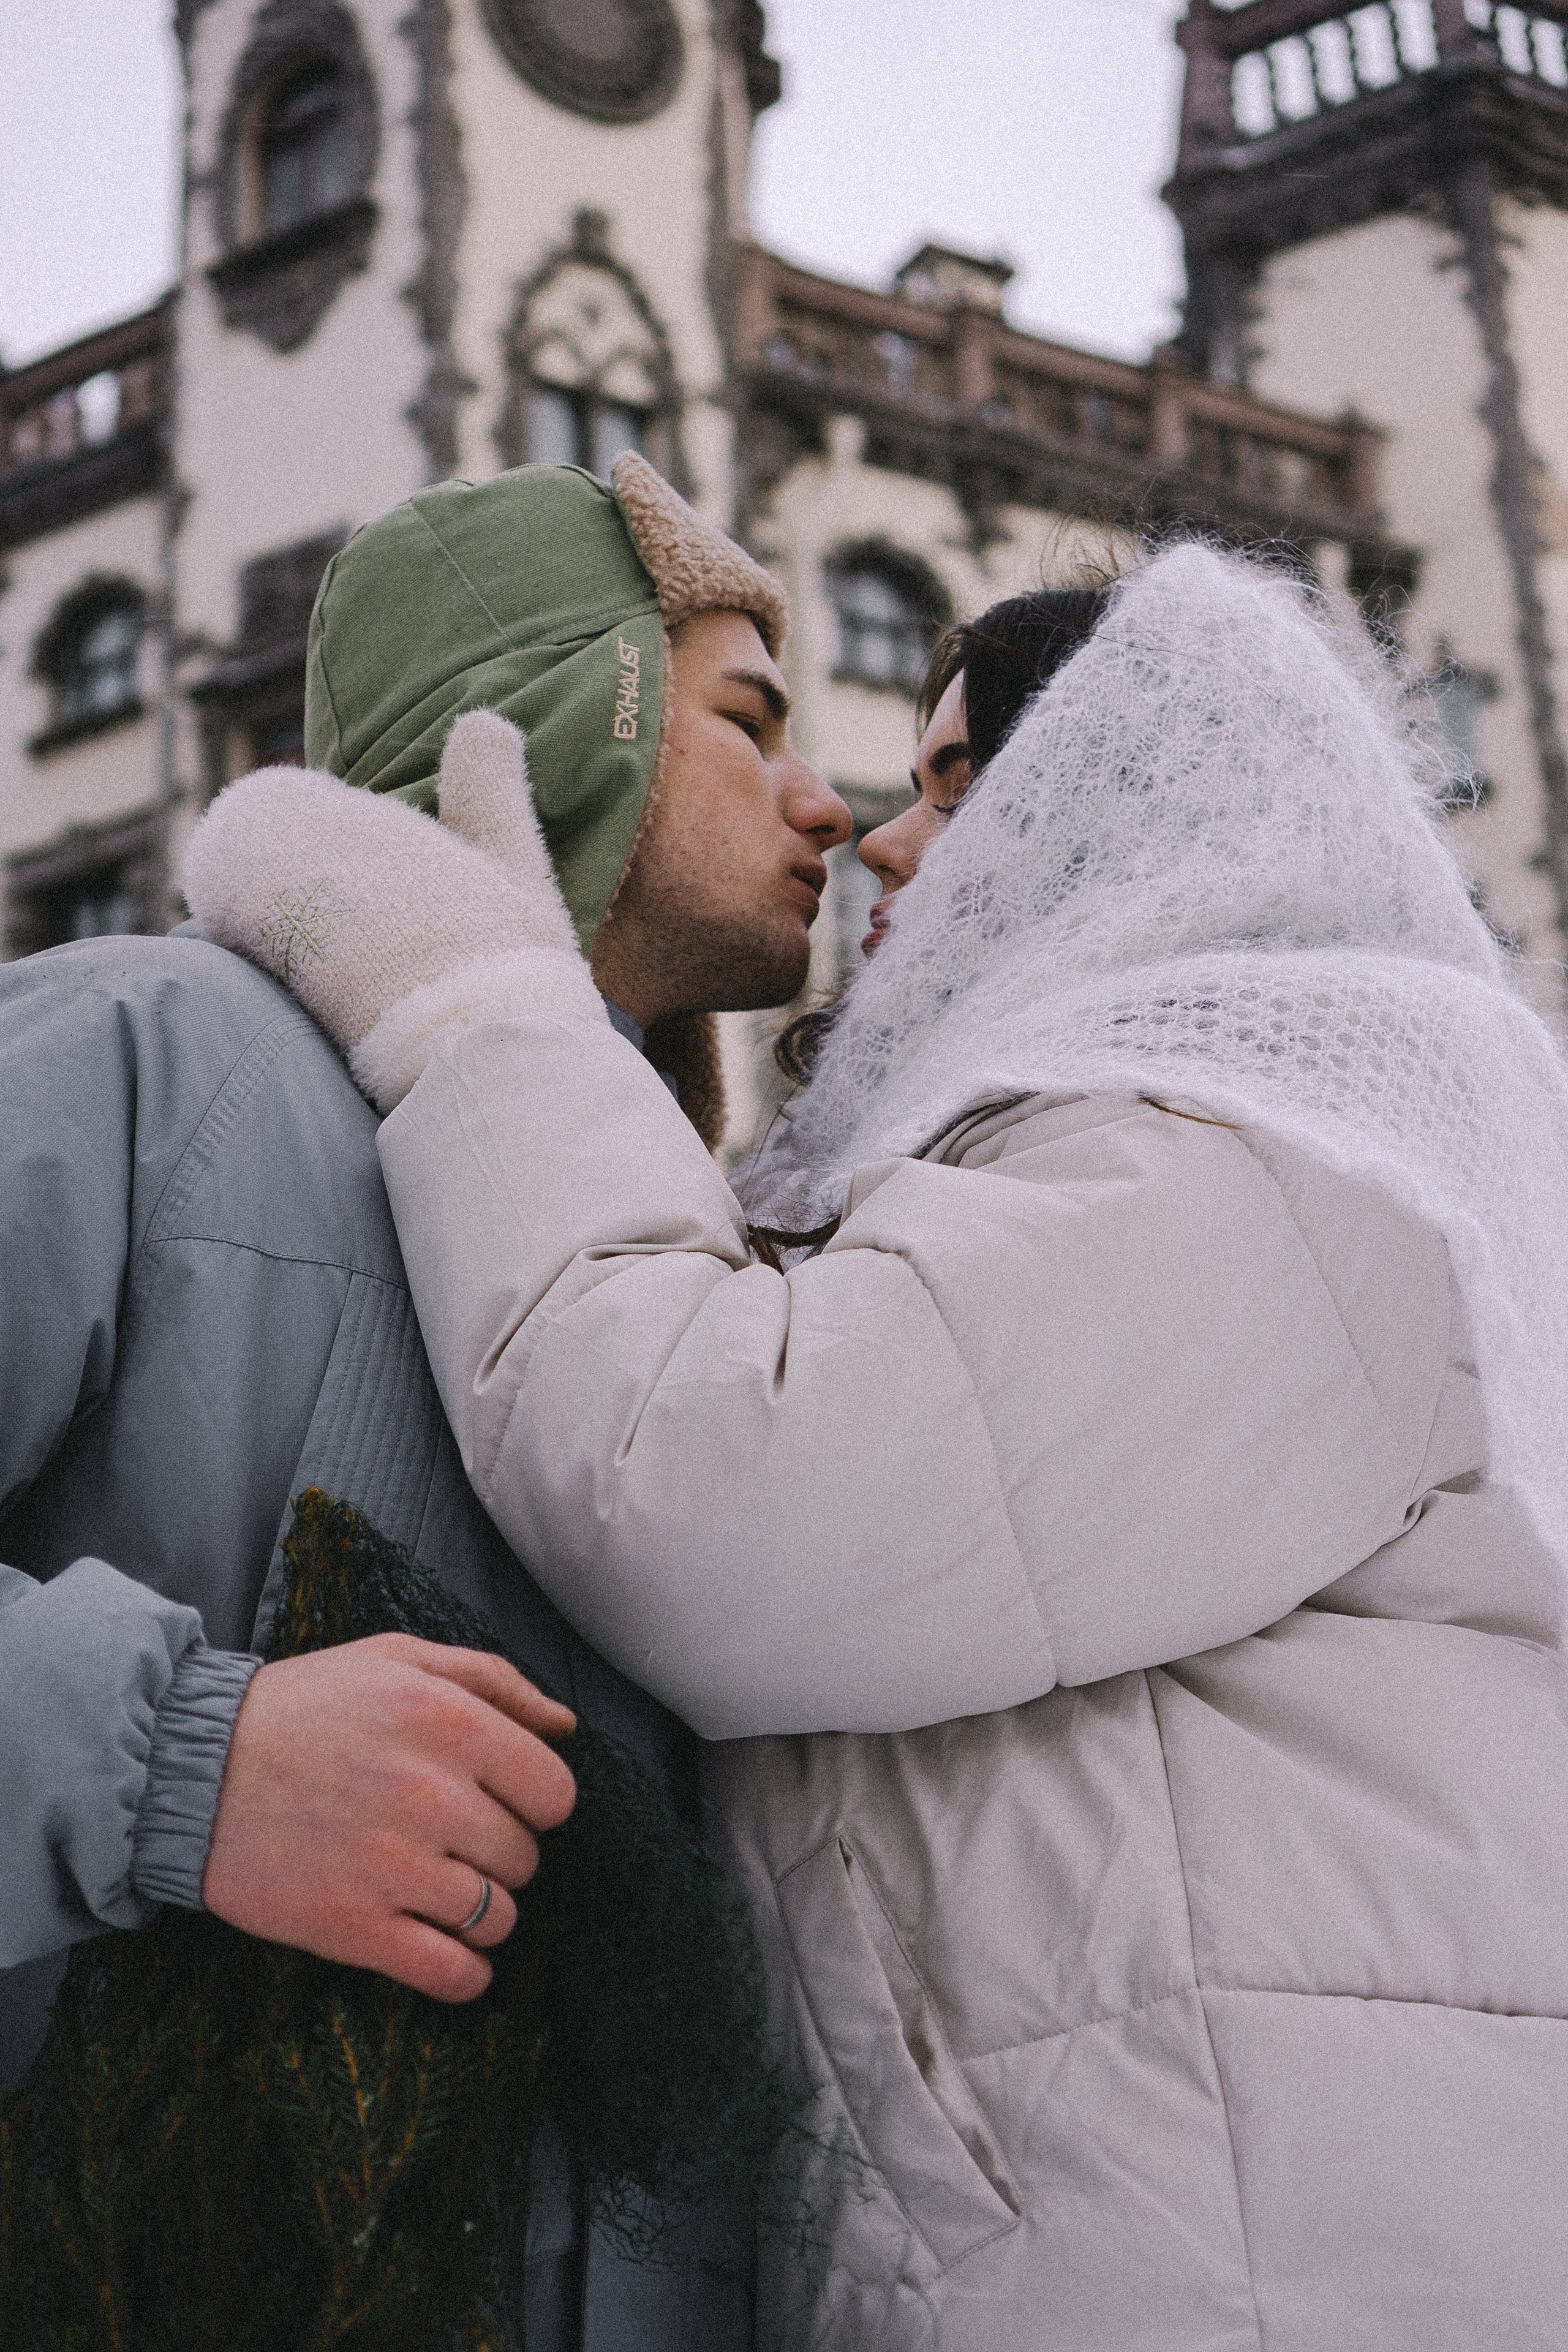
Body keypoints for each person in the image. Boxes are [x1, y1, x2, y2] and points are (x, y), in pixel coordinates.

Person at [186, 540, 1568, 2350]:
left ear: (1149, 804)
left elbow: (731, 1490)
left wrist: (478, 1003)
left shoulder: (1295, 1133)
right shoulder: (1105, 1148)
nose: (880, 845)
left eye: (968, 785)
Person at [0, 451, 849, 2349]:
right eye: (746, 718)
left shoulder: (692, 1264)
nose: (830, 801)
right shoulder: (153, 1054)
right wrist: (179, 1770)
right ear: (566, 726)